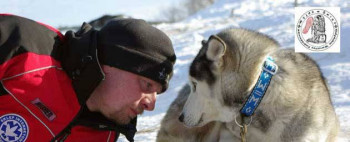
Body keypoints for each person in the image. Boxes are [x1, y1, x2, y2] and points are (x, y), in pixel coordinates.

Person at [0, 14, 176, 142]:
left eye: (157, 94)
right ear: (113, 64)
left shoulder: (104, 135)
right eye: (147, 85)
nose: (151, 105)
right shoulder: (22, 47)